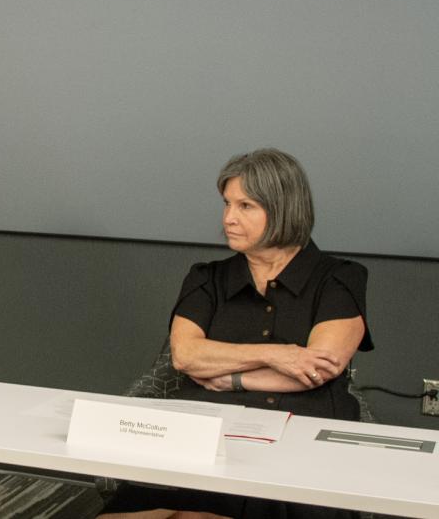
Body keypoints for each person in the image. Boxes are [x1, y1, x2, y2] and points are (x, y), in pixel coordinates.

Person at [100, 148, 371, 519]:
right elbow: (186, 356)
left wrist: (233, 378)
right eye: (227, 204)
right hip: (205, 439)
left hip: (302, 441)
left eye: (246, 206)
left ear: (283, 208)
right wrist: (277, 355)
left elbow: (318, 368)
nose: (228, 218)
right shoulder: (206, 277)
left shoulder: (340, 277)